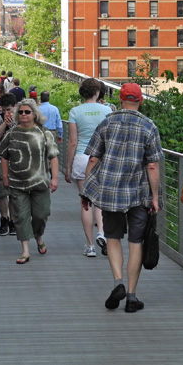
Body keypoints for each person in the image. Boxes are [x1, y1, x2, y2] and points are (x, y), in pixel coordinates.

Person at [82, 83, 163, 313]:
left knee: (113, 237)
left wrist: (86, 191)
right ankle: (131, 296)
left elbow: (93, 160)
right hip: (138, 194)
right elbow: (153, 165)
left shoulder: (107, 122)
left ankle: (118, 281)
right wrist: (155, 197)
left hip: (110, 193)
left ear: (119, 100)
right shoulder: (149, 125)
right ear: (141, 101)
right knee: (136, 243)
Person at [0, 99, 59, 264]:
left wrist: (54, 178)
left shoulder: (44, 133)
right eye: (20, 112)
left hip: (40, 182)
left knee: (41, 215)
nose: (24, 115)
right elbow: (3, 156)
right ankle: (25, 250)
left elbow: (53, 156)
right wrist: (5, 177)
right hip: (17, 183)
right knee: (21, 216)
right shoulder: (11, 133)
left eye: (27, 112)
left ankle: (38, 236)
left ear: (34, 114)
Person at [65, 78, 112, 257]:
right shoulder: (107, 111)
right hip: (101, 158)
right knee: (99, 200)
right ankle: (102, 232)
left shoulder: (75, 111)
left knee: (86, 203)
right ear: (98, 92)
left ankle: (90, 246)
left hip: (82, 158)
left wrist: (68, 167)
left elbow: (73, 142)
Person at [0, 93, 18, 236]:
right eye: (4, 110)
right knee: (2, 191)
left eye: (9, 110)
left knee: (14, 192)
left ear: (15, 107)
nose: (7, 113)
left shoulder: (21, 117)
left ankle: (13, 220)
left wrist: (12, 125)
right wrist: (4, 124)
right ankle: (4, 218)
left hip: (16, 160)